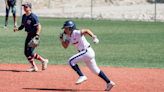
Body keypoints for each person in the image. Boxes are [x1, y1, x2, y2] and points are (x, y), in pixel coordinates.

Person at [59, 20, 115, 91]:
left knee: (70, 61)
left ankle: (82, 76)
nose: (65, 30)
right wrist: (61, 39)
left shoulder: (75, 32)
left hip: (86, 51)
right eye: (64, 28)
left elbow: (87, 31)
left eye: (67, 28)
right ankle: (109, 82)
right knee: (95, 71)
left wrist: (94, 37)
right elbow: (65, 46)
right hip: (86, 53)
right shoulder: (68, 36)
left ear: (71, 28)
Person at [13, 2, 48, 72]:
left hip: (34, 36)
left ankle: (42, 61)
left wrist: (37, 35)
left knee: (29, 52)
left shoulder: (33, 16)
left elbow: (39, 26)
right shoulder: (24, 16)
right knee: (26, 53)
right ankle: (36, 65)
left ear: (30, 8)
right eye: (24, 7)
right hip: (28, 35)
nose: (25, 8)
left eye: (26, 7)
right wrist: (18, 28)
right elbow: (22, 26)